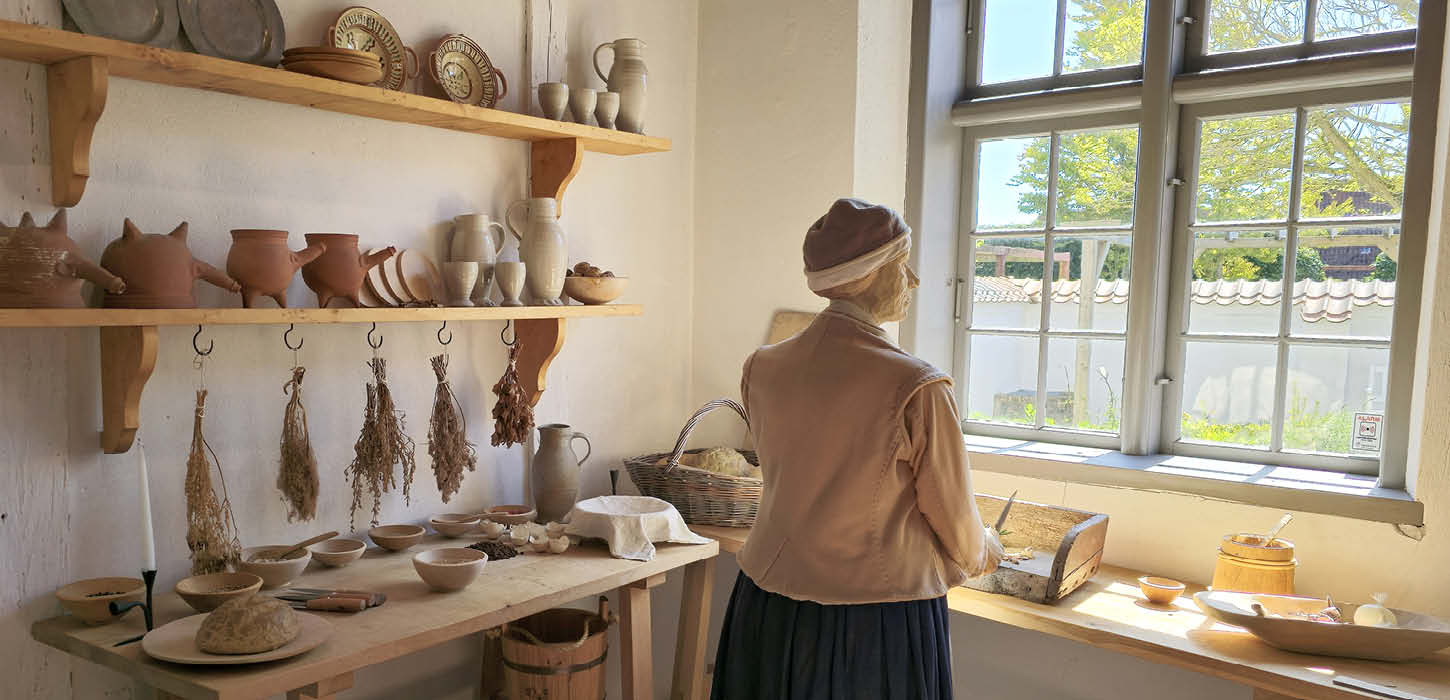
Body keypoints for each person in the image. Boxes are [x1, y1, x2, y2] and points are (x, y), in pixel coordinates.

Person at [711, 198, 1004, 700]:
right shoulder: (917, 386)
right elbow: (956, 521)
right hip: (878, 619)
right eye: (902, 264)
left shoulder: (763, 367)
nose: (913, 280)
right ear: (869, 274)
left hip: (767, 603)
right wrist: (985, 550)